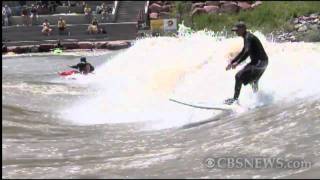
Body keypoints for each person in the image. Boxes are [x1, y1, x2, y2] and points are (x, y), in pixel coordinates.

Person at [225, 21, 268, 105]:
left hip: (259, 63)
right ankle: (258, 101)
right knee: (253, 81)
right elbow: (243, 52)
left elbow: (247, 52)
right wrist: (232, 62)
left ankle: (235, 100)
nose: (235, 32)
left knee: (238, 76)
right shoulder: (247, 37)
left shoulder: (249, 37)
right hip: (263, 62)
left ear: (243, 29)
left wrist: (237, 63)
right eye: (235, 30)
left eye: (237, 30)